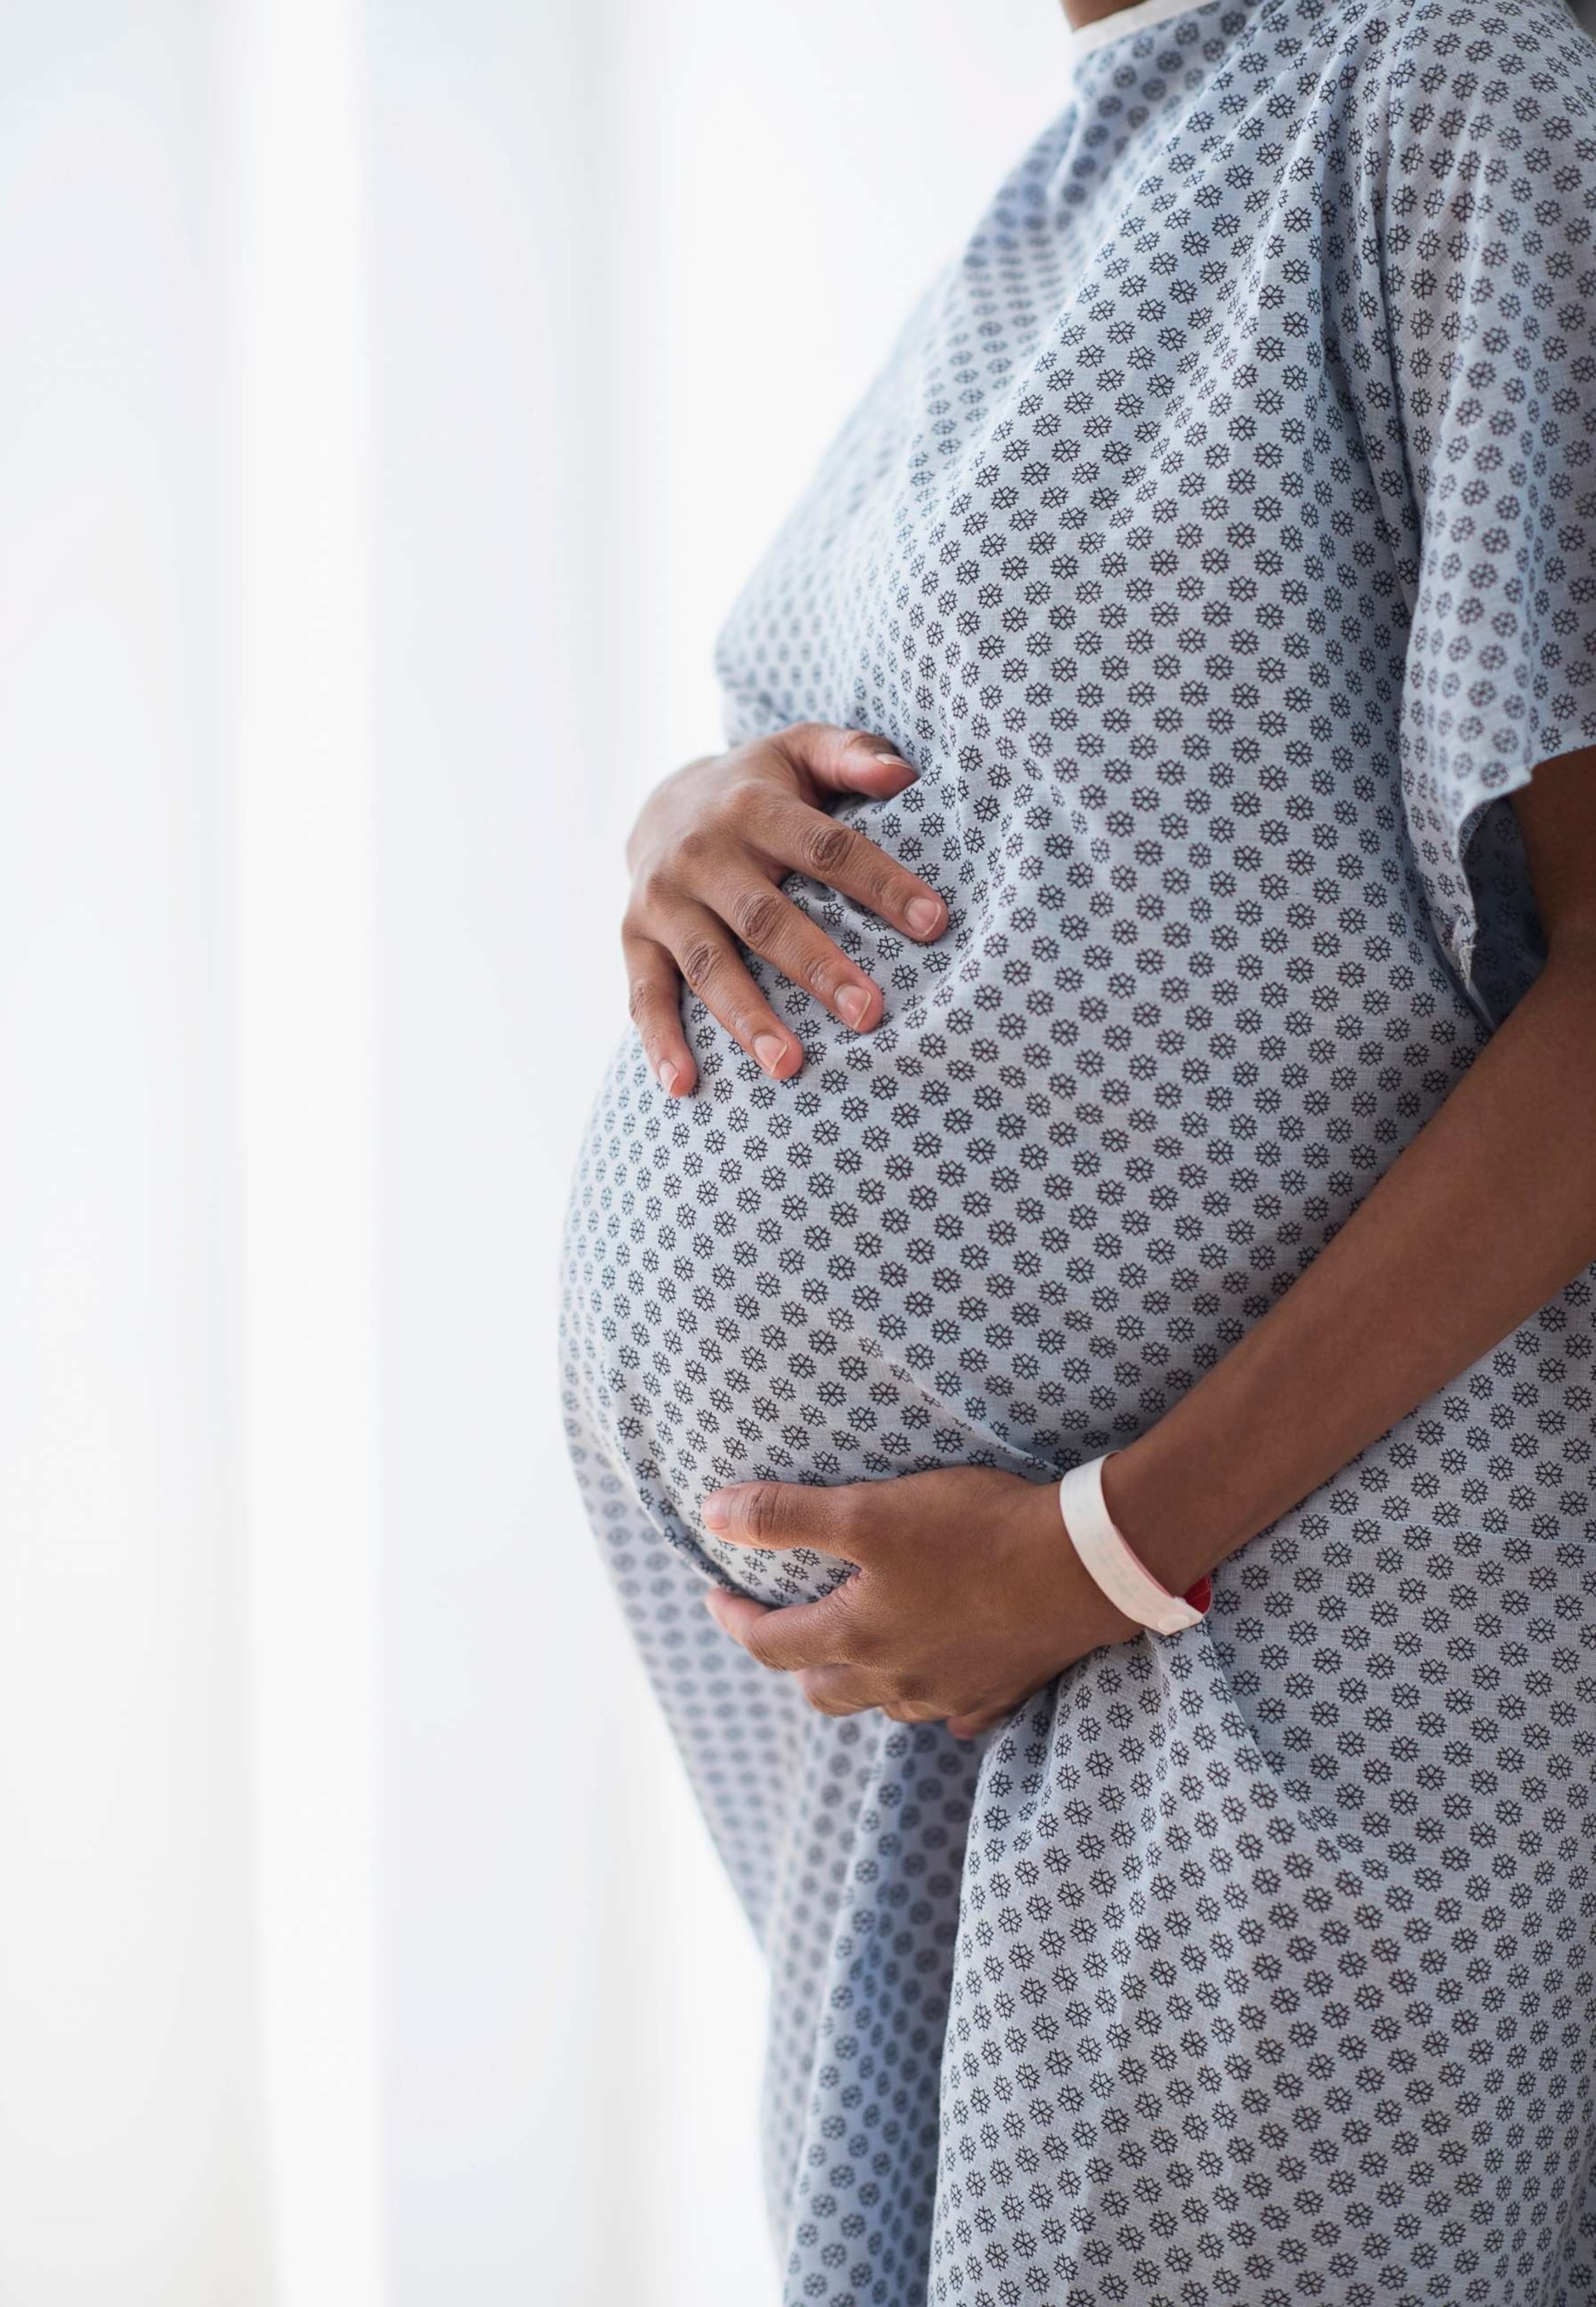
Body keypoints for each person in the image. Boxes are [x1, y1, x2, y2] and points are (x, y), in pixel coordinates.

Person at [559, 0, 1596, 2293]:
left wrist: (1116, 1550)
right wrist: (682, 826)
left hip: (1291, 1655)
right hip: (959, 1716)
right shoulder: (1063, 200)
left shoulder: (1449, 86)